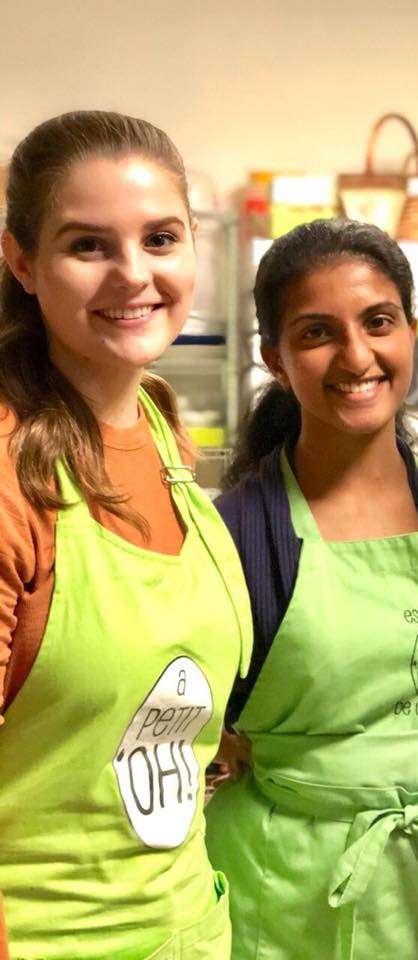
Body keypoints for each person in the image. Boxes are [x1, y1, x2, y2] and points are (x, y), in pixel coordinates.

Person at [204, 218, 418, 959]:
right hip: (288, 898)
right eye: (316, 333)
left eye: (378, 322)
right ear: (274, 358)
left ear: (411, 330)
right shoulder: (235, 533)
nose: (357, 355)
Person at [0, 110, 252, 960]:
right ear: (21, 262)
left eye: (160, 237)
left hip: (184, 926)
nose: (133, 274)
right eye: (87, 246)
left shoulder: (162, 428)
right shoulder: (8, 472)